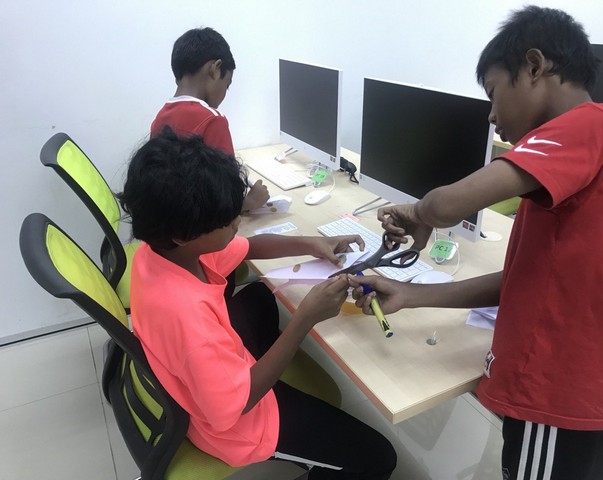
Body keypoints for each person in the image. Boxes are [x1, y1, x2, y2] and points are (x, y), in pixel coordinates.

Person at [350, 6, 603, 480]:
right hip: (586, 398)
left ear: (534, 66)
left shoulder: (586, 126)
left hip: (556, 399)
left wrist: (418, 213)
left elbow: (448, 205)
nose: (490, 115)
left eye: (493, 93)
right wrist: (410, 294)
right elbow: (527, 281)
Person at [119, 129, 397, 479]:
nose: (237, 222)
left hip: (215, 373)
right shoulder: (188, 319)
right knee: (378, 458)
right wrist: (305, 319)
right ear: (184, 235)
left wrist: (313, 243)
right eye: (227, 221)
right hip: (242, 423)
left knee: (261, 296)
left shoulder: (163, 252)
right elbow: (236, 407)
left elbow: (249, 247)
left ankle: (267, 368)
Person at [150, 26, 269, 213]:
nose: (224, 94)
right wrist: (249, 202)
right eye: (227, 85)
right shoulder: (213, 120)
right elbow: (227, 199)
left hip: (171, 223)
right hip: (204, 228)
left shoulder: (160, 118)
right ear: (215, 68)